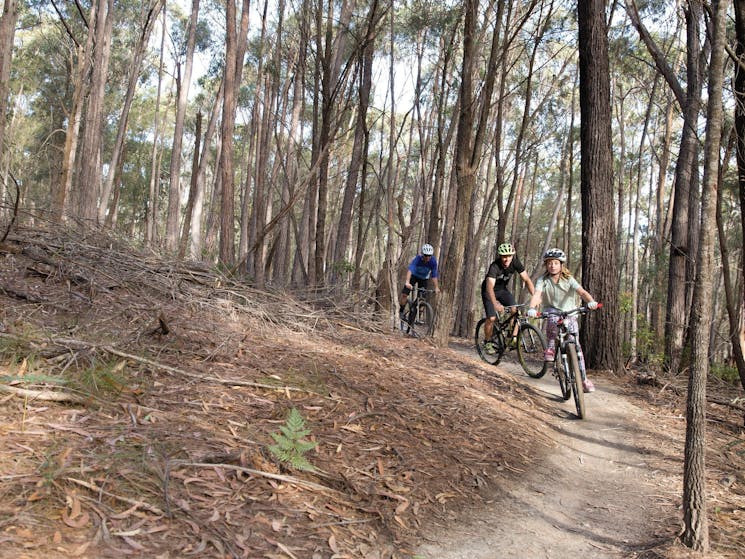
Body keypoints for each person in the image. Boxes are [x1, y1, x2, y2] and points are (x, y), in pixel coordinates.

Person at [527, 248, 599, 393]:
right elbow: (537, 295)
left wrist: (591, 302)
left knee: (576, 345)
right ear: (546, 265)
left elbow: (582, 292)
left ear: (561, 265)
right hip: (552, 311)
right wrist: (532, 307)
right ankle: (551, 347)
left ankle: (584, 379)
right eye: (549, 263)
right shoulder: (543, 280)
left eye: (555, 263)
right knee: (553, 322)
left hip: (569, 312)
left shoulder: (569, 279)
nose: (552, 266)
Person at [481, 242, 536, 352]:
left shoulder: (515, 263)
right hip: (489, 291)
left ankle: (512, 338)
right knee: (491, 318)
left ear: (513, 255)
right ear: (500, 256)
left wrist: (535, 296)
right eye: (504, 256)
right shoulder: (494, 266)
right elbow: (489, 287)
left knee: (515, 310)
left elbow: (527, 280)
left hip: (502, 290)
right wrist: (495, 303)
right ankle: (487, 342)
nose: (506, 259)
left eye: (509, 256)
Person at [399, 243, 440, 318]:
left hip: (424, 279)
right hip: (414, 276)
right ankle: (401, 311)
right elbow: (410, 270)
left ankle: (418, 317)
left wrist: (436, 287)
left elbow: (434, 275)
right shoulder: (417, 259)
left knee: (422, 299)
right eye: (426, 255)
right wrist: (407, 282)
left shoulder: (433, 262)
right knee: (405, 294)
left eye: (429, 256)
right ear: (422, 255)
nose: (427, 257)